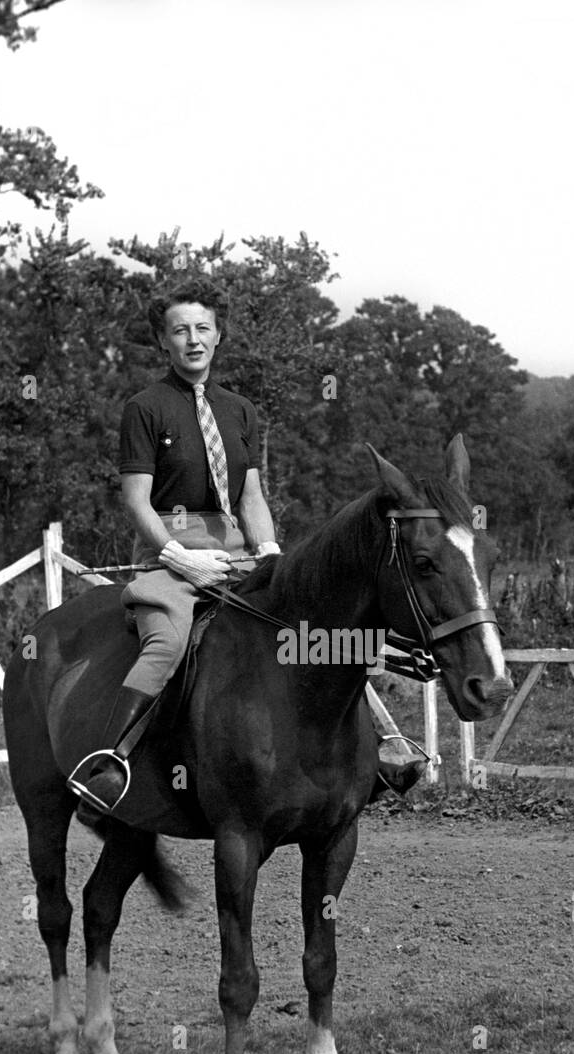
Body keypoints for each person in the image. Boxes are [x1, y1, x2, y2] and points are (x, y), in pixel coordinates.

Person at [68, 276, 425, 813]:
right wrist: (179, 556)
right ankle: (111, 760)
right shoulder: (145, 407)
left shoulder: (239, 410)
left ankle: (369, 754)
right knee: (167, 643)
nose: (193, 339)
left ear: (219, 336)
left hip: (237, 551)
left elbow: (252, 493)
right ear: (163, 341)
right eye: (180, 330)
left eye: (203, 328)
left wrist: (270, 550)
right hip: (170, 554)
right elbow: (137, 501)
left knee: (318, 631)